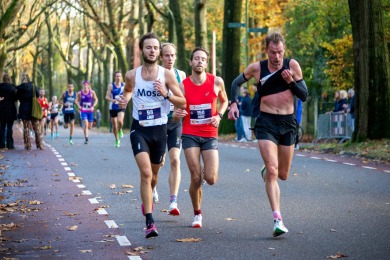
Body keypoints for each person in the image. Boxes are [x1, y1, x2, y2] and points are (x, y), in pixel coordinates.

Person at [228, 32, 308, 237]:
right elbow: (236, 83)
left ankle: (269, 169)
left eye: (280, 52)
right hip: (266, 123)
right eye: (273, 52)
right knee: (273, 172)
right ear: (267, 51)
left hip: (288, 124)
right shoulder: (257, 68)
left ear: (284, 50)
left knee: (282, 174)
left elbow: (304, 95)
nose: (277, 57)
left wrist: (291, 82)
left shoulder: (293, 66)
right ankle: (277, 219)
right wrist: (234, 103)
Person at [118, 32, 186, 238]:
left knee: (154, 175)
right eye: (149, 47)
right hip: (139, 129)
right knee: (146, 173)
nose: (153, 51)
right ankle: (150, 221)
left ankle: (148, 196)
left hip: (160, 130)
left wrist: (166, 94)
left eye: (156, 48)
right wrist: (126, 99)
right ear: (142, 50)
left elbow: (183, 102)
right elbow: (129, 89)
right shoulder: (132, 75)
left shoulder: (166, 75)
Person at [174, 46, 228, 228]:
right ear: (190, 62)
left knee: (211, 178)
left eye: (203, 59)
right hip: (190, 133)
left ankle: (204, 173)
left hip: (210, 134)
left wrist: (219, 115)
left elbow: (225, 100)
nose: (199, 62)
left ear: (206, 63)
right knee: (196, 178)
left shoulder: (216, 81)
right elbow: (175, 112)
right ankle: (197, 213)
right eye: (196, 58)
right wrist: (178, 114)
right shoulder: (182, 86)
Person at [156, 42, 187, 215]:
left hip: (175, 122)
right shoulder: (156, 74)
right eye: (166, 55)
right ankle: (152, 188)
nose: (170, 58)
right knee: (158, 162)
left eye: (173, 55)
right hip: (159, 123)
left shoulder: (180, 74)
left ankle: (173, 202)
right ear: (161, 57)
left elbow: (185, 97)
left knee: (175, 160)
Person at [16, 73, 44, 150]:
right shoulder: (33, 86)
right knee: (36, 128)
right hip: (33, 108)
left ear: (22, 79)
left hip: (24, 108)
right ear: (28, 78)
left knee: (26, 128)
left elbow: (17, 97)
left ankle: (28, 145)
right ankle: (39, 145)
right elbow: (38, 95)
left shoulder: (20, 88)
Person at [105, 71, 125, 147]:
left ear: (121, 77)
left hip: (121, 106)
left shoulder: (124, 85)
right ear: (115, 77)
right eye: (117, 76)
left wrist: (124, 100)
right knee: (114, 125)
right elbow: (107, 96)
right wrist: (112, 100)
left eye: (119, 76)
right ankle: (117, 140)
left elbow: (128, 93)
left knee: (120, 121)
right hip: (113, 107)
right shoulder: (111, 86)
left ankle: (120, 130)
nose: (118, 77)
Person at [0, 73, 17, 149]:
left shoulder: (0, 87)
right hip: (11, 109)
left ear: (3, 79)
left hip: (1, 109)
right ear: (9, 79)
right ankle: (10, 144)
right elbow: (16, 98)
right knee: (9, 127)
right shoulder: (12, 88)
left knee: (2, 127)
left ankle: (1, 144)